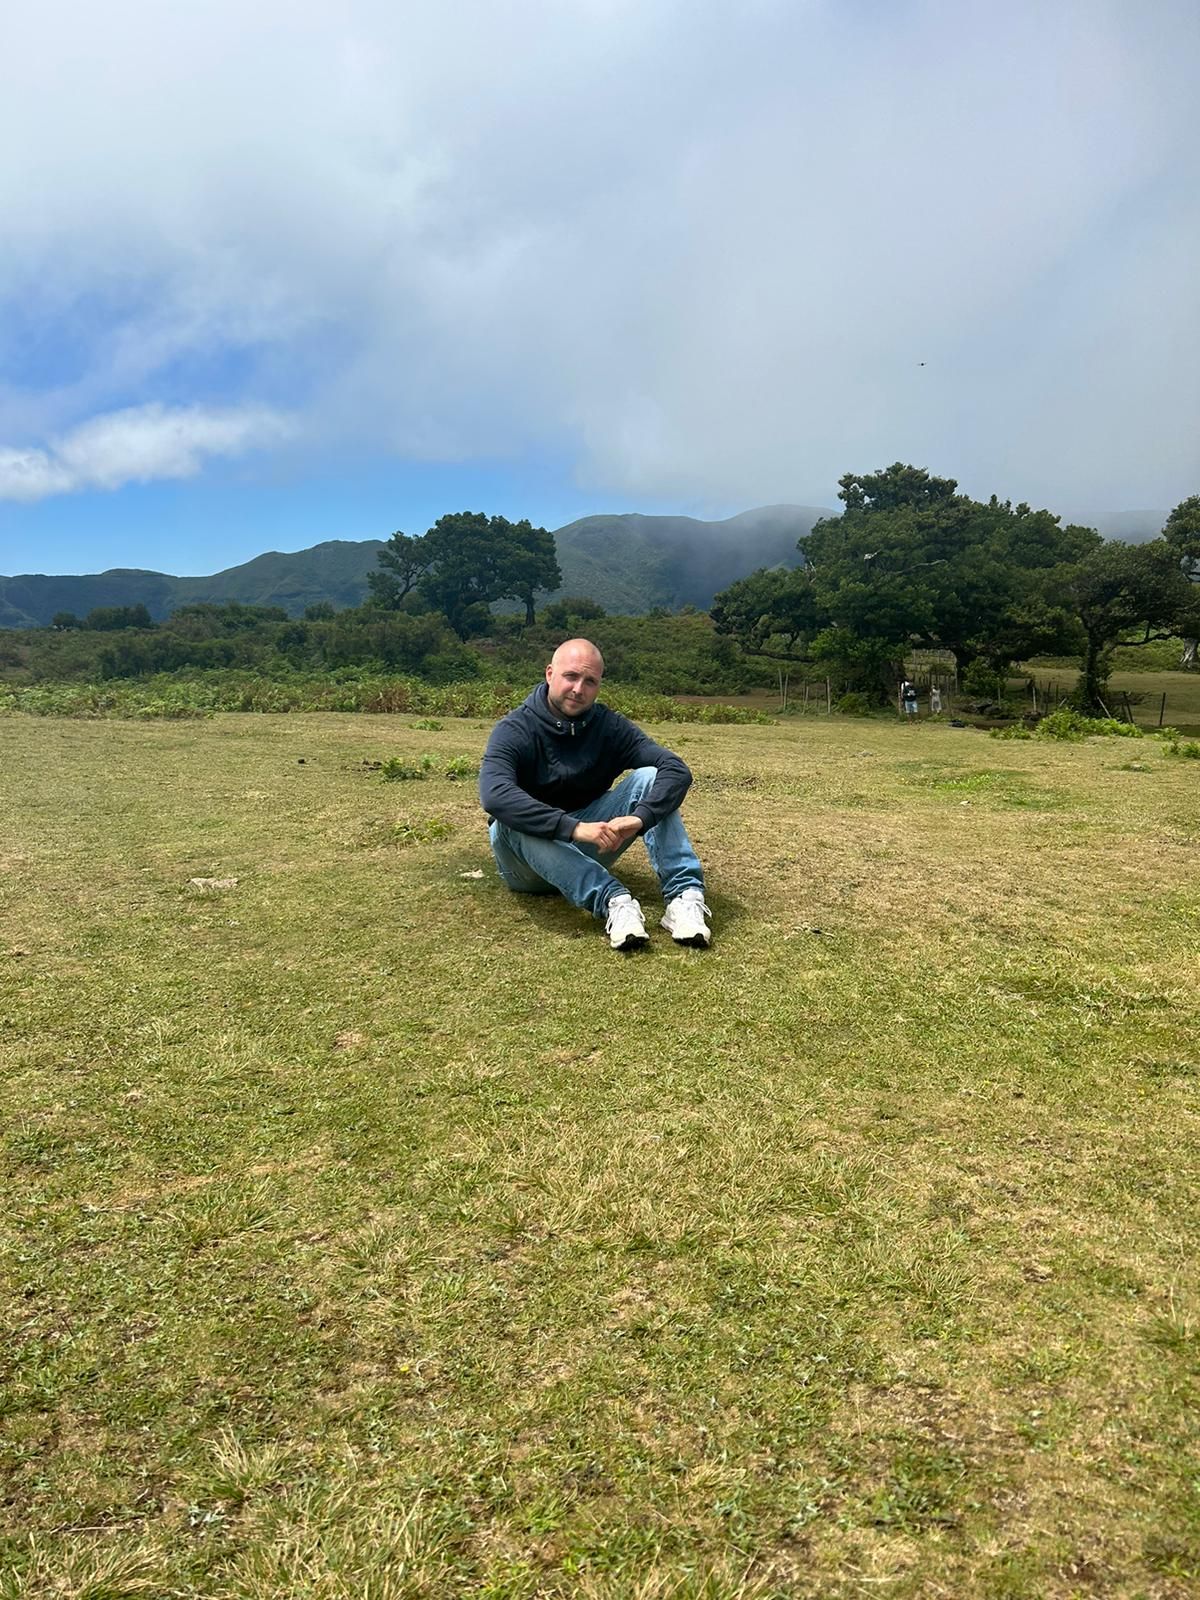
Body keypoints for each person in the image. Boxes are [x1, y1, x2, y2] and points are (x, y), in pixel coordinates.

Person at [479, 639, 711, 951]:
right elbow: (494, 795)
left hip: (591, 842)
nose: (578, 689)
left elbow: (675, 769)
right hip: (527, 865)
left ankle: (683, 897)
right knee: (508, 819)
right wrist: (573, 828)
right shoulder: (515, 728)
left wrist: (641, 818)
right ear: (550, 674)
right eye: (571, 676)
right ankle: (614, 901)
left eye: (590, 681)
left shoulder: (609, 727)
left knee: (651, 777)